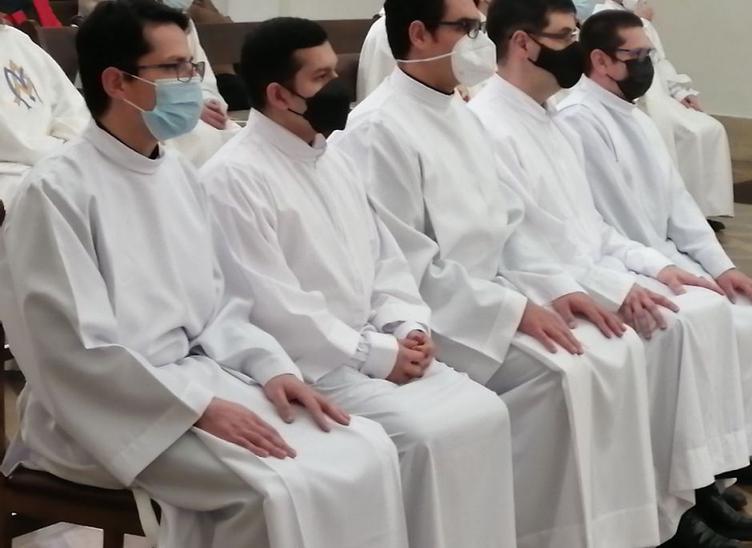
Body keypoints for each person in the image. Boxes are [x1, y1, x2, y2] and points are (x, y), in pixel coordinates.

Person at [0, 3, 409, 547]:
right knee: (274, 486)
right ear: (116, 81)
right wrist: (195, 410)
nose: (191, 83)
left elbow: (218, 304)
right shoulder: (56, 193)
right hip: (111, 411)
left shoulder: (177, 176)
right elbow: (72, 353)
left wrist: (271, 368)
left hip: (197, 380)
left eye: (191, 67)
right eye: (172, 69)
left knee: (366, 449)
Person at [333, 1, 666, 546]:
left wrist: (558, 289)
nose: (479, 40)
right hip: (441, 316)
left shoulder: (459, 115)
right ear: (419, 34)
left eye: (478, 26)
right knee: (560, 373)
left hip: (497, 293)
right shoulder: (378, 127)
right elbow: (407, 264)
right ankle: (540, 532)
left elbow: (511, 227)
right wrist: (513, 310)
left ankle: (612, 531)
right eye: (465, 28)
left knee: (614, 348)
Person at [200, 18, 516, 548]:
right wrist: (375, 353)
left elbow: (385, 261)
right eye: (322, 76)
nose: (339, 86)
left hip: (377, 345)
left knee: (486, 412)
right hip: (315, 367)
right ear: (279, 94)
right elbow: (274, 306)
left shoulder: (335, 157)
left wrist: (406, 326)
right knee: (426, 436)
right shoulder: (233, 177)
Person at [470, 2, 752, 545]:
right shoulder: (491, 125)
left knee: (695, 310)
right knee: (669, 326)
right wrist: (615, 286)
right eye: (565, 36)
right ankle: (669, 505)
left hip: (593, 269)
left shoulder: (545, 117)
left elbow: (594, 227)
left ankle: (690, 488)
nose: (574, 48)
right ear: (522, 43)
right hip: (550, 286)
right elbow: (522, 248)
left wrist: (657, 267)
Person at [558, 4, 752, 502]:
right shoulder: (580, 118)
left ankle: (737, 447)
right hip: (624, 260)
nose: (646, 65)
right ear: (600, 60)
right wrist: (666, 269)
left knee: (750, 309)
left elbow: (679, 204)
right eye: (637, 55)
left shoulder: (634, 117)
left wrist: (723, 265)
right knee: (702, 319)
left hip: (657, 251)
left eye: (648, 53)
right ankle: (702, 478)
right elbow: (605, 218)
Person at [594, 0, 734, 230]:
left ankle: (700, 208)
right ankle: (668, 211)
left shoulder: (637, 16)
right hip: (639, 97)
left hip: (661, 95)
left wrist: (680, 91)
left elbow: (659, 60)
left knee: (709, 129)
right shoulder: (604, 14)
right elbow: (630, 57)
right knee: (677, 133)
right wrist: (643, 21)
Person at [80, 0, 239, 166]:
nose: (191, 78)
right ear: (116, 82)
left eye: (189, 64)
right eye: (173, 66)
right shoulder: (61, 186)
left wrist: (204, 100)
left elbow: (203, 82)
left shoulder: (180, 170)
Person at [0, 18, 90, 204]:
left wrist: (69, 153)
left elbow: (73, 109)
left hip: (61, 164)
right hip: (12, 185)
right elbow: (11, 143)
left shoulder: (16, 39)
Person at [358, 0, 492, 101]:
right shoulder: (383, 33)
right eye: (464, 26)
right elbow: (377, 94)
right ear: (419, 35)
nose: (475, 37)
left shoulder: (470, 17)